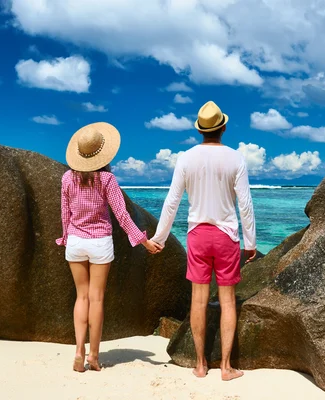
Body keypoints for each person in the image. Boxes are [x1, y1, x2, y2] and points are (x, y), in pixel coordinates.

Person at [151, 101, 256, 381]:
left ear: (201, 130)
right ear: (223, 127)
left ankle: (199, 365)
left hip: (198, 235)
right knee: (228, 301)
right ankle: (225, 367)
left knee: (198, 301)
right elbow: (245, 204)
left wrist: (159, 237)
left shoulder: (186, 158)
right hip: (226, 236)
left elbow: (172, 201)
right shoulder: (236, 158)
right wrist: (251, 241)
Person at [57, 122, 163, 373]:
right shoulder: (106, 179)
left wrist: (64, 238)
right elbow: (123, 216)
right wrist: (144, 241)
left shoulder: (67, 178)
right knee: (97, 299)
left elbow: (64, 214)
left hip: (75, 241)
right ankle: (93, 356)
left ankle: (78, 352)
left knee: (81, 297)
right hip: (99, 243)